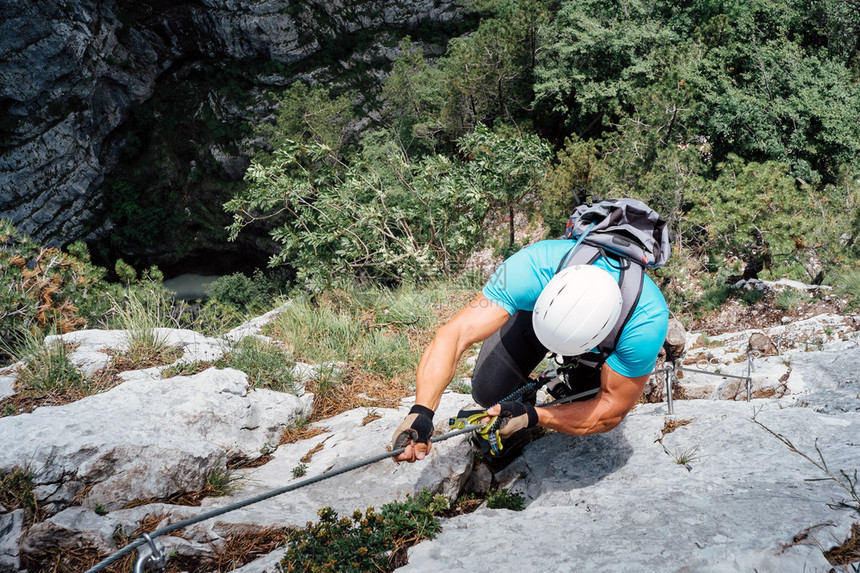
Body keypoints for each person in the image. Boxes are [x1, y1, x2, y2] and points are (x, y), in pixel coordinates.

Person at [392, 237, 669, 463]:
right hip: (538, 312)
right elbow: (455, 334)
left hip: (609, 344)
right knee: (489, 389)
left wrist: (536, 417)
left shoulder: (645, 321)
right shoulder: (532, 267)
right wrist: (421, 411)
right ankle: (523, 392)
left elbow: (611, 410)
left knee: (579, 402)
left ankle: (571, 380)